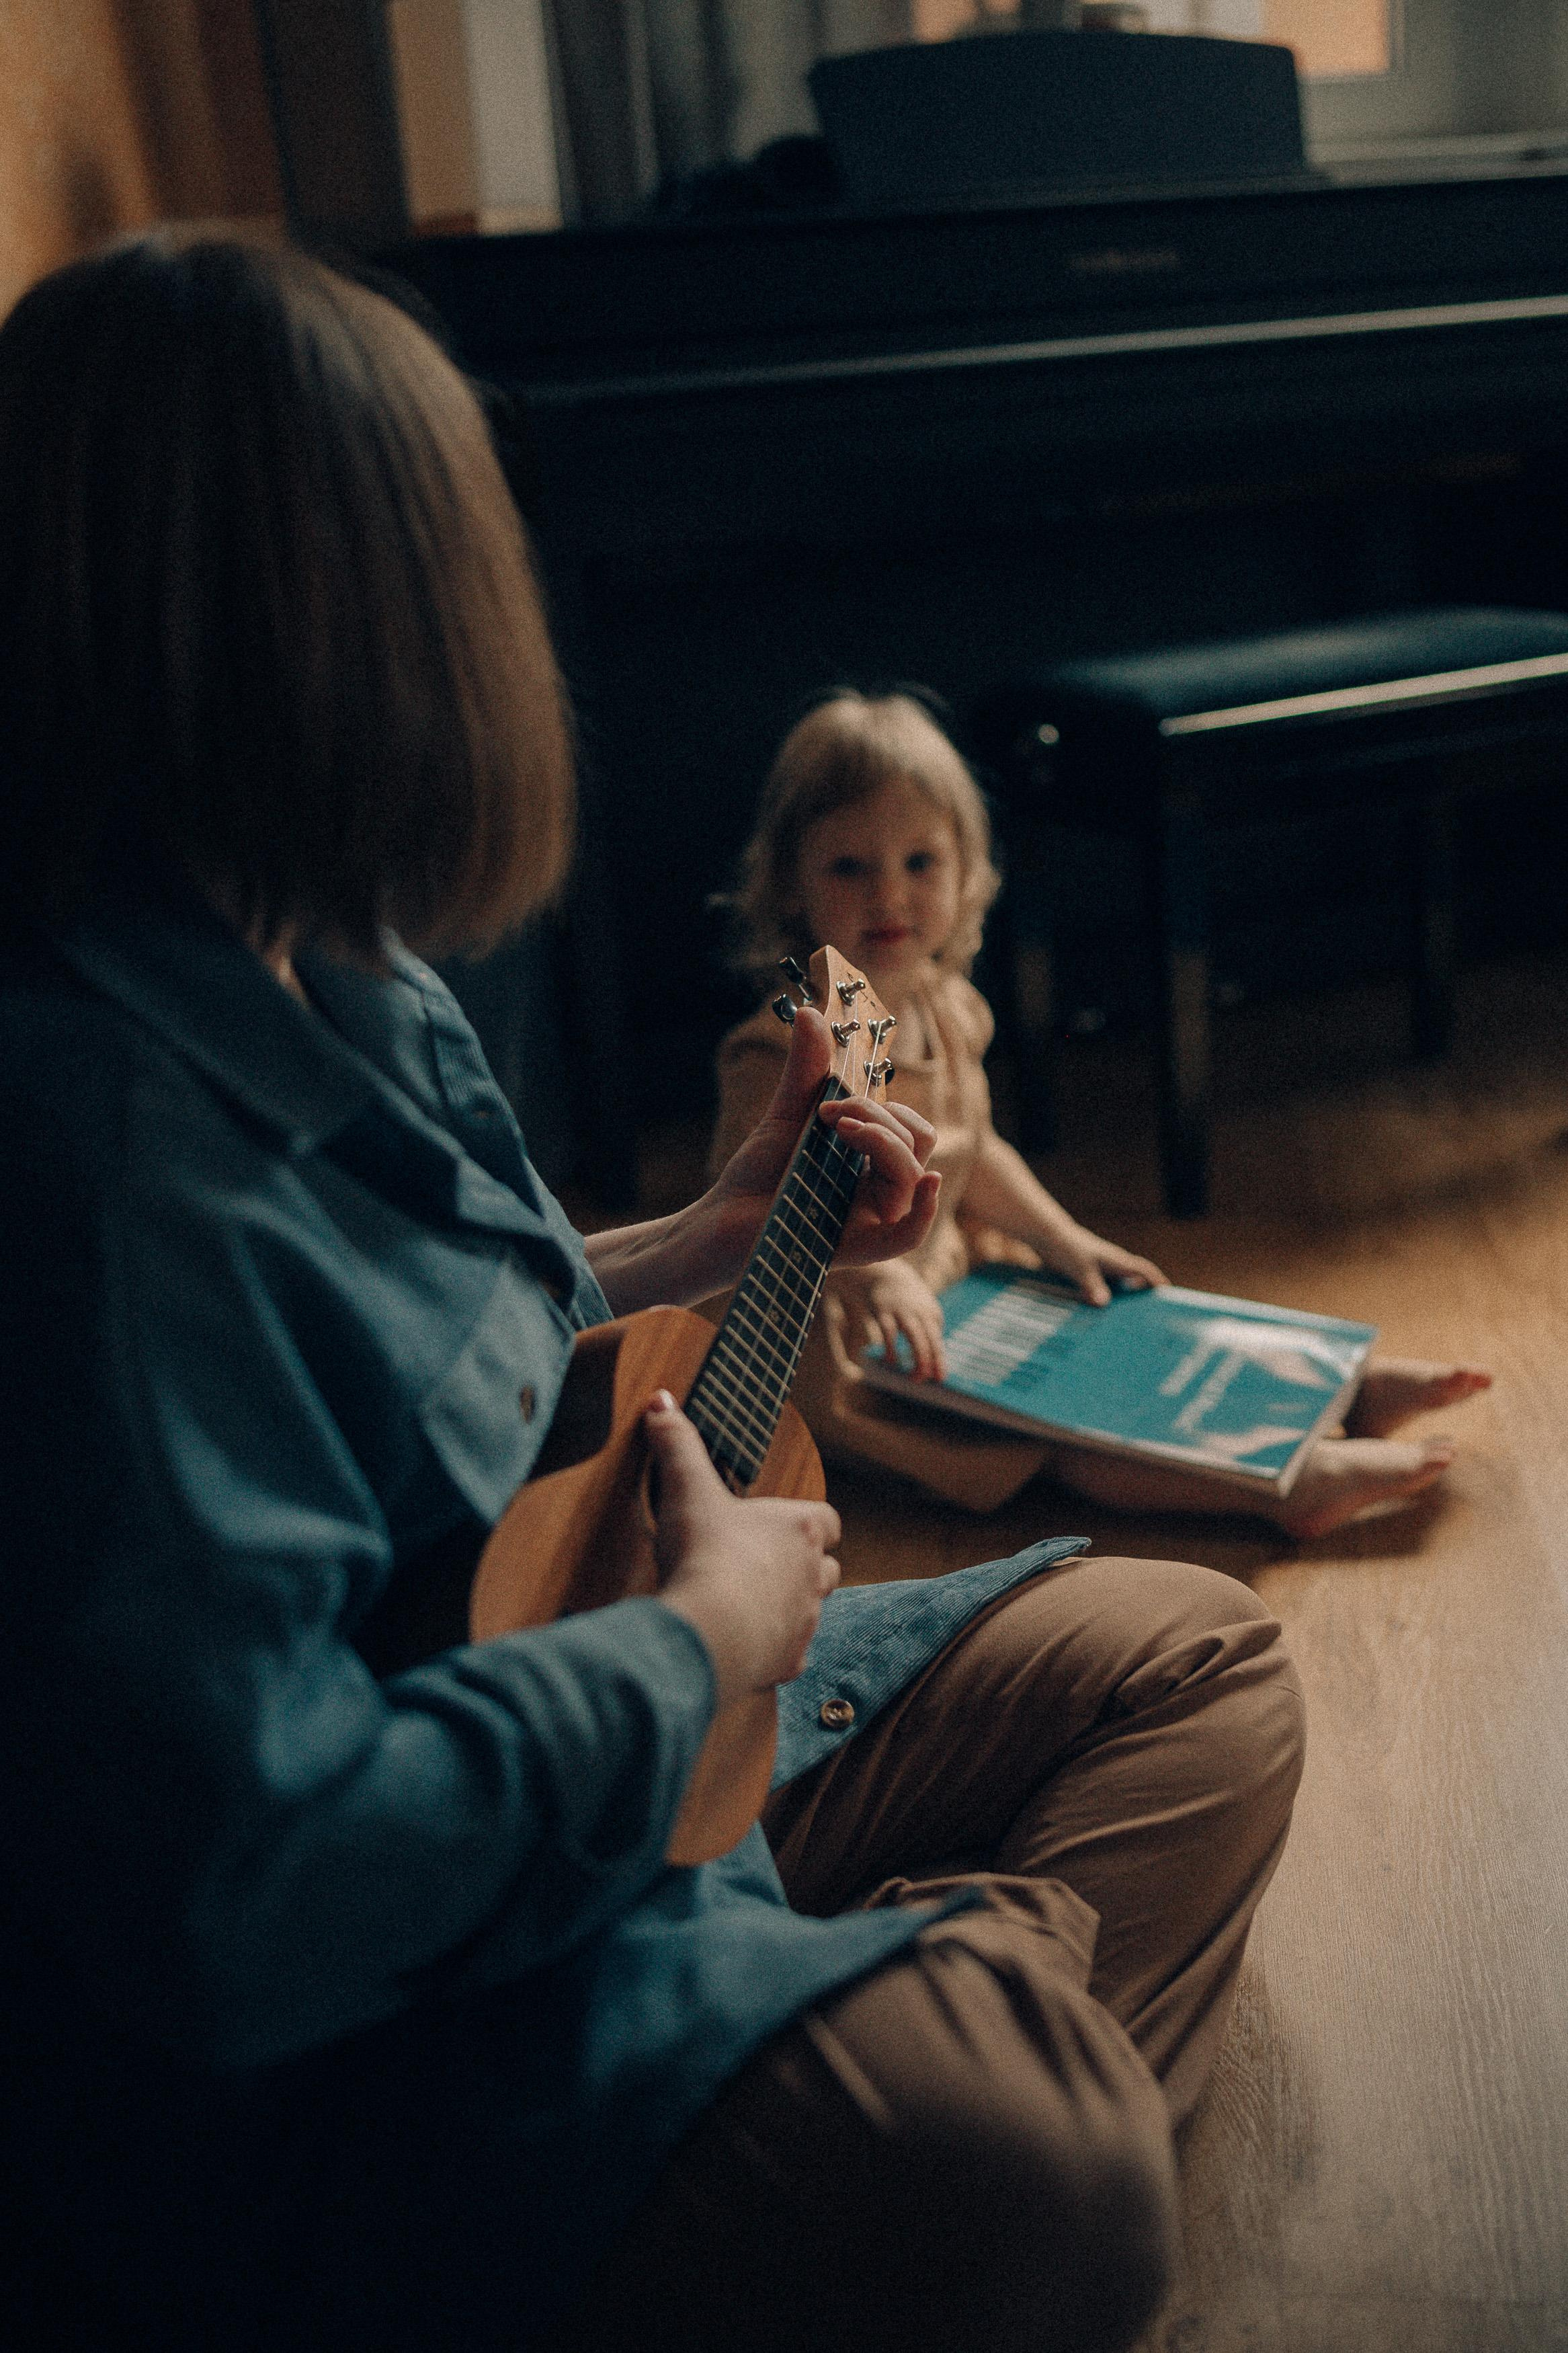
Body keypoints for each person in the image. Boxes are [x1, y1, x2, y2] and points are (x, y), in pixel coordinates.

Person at [0, 235, 1305, 2353]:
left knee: (1203, 1664)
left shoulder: (334, 954)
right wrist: (698, 1649)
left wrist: (706, 1231)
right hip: (390, 1996)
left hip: (597, 1708)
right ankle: (882, 2045)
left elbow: (456, 1342)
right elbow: (250, 1890)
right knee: (1043, 2159)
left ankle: (864, 2045)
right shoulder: (98, 1159)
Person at [712, 690, 1491, 1531]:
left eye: (919, 862)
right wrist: (884, 1272)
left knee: (1105, 1315)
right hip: (844, 1334)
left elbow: (971, 1152)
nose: (889, 897)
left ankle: (1339, 1386)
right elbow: (761, 1218)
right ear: (791, 886)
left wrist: (1060, 1235)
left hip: (948, 1278)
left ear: (966, 868)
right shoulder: (789, 1049)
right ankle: (1284, 1487)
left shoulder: (944, 1004)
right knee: (1059, 1438)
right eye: (848, 868)